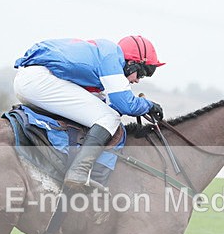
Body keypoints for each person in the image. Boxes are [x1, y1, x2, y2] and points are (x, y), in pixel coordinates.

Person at [13, 35, 165, 190]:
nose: (138, 80)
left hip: (30, 80)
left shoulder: (104, 55)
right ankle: (78, 171)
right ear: (132, 63)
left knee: (104, 113)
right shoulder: (112, 58)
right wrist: (149, 105)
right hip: (39, 81)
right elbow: (126, 105)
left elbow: (104, 102)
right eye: (142, 73)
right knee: (109, 117)